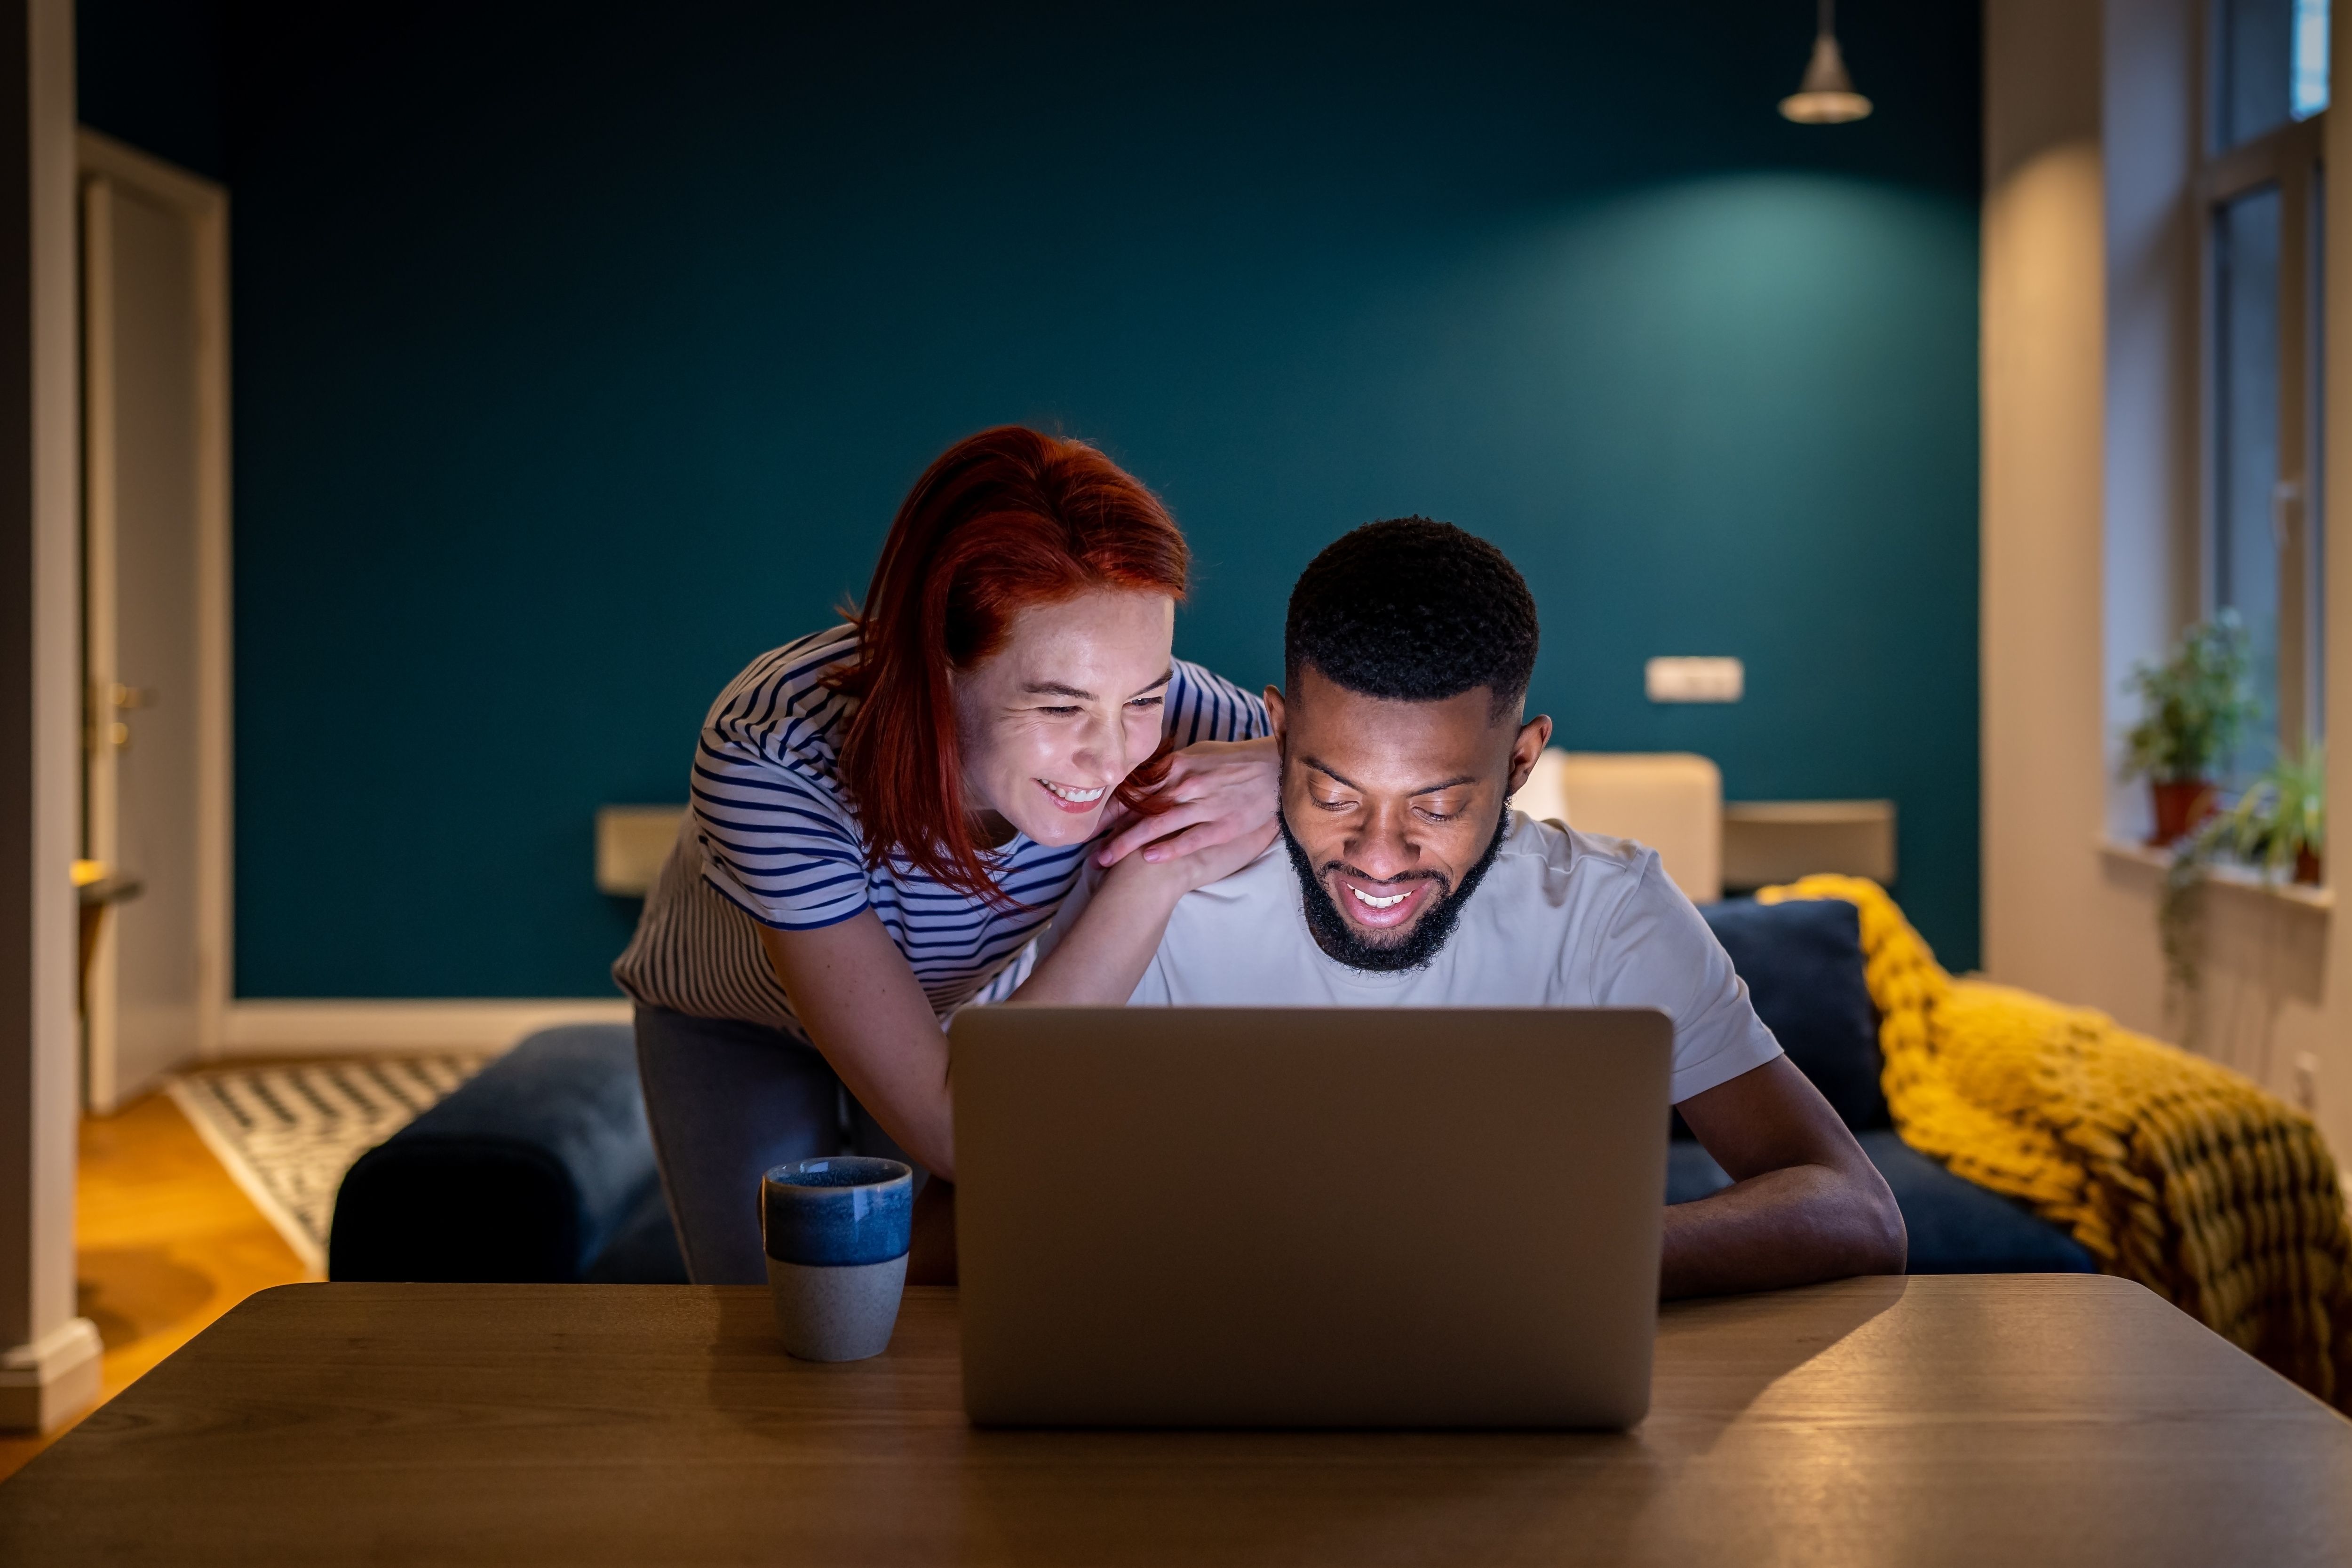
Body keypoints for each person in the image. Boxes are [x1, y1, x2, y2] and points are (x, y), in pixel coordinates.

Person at [1037, 517, 1906, 1297]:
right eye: (1334, 795)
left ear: (1522, 762)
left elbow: (1856, 1208)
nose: (1380, 857)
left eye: (1438, 806)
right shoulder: (1164, 892)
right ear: (1281, 733)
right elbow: (976, 1206)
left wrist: (1551, 1264)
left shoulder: (1608, 911)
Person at [615, 427, 1279, 1284]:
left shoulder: (1178, 720)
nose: (1114, 754)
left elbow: (1444, 776)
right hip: (737, 1026)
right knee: (782, 1312)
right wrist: (1156, 872)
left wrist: (1293, 769)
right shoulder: (771, 755)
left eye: (1144, 695)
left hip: (954, 1020)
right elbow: (964, 1129)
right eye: (1061, 707)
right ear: (935, 667)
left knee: (940, 1311)